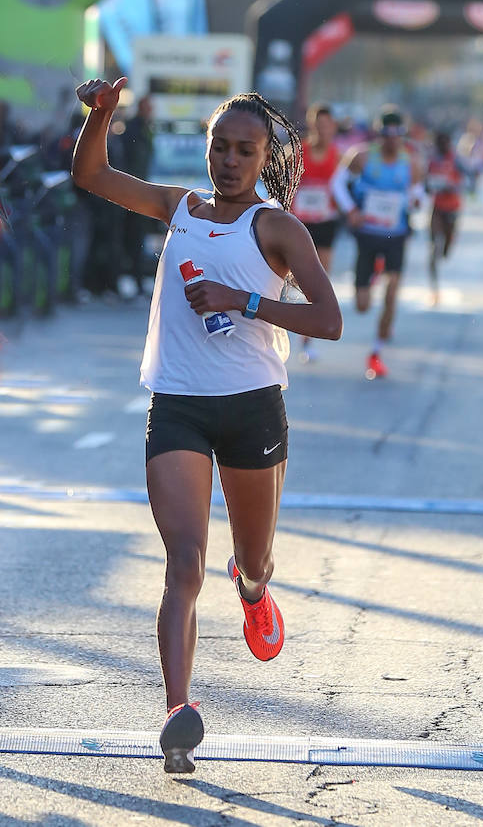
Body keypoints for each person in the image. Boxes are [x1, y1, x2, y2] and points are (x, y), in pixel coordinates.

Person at [72, 76, 342, 773]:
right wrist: (101, 116)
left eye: (244, 150)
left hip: (252, 406)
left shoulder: (277, 228)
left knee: (253, 560)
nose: (228, 160)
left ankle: (252, 590)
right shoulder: (180, 207)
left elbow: (328, 319)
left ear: (264, 157)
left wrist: (243, 299)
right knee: (183, 563)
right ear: (207, 147)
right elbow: (91, 174)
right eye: (220, 146)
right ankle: (177, 714)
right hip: (179, 405)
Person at [331, 106, 424, 379]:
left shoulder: (411, 162)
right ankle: (372, 275)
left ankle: (377, 351)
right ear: (378, 134)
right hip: (368, 235)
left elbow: (418, 193)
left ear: (402, 136)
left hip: (396, 235)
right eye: (386, 135)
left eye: (397, 135)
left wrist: (417, 201)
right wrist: (351, 211)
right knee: (362, 305)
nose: (391, 140)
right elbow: (337, 184)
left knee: (392, 292)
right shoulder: (361, 156)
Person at [291, 104, 341, 362]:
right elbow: (285, 185)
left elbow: (344, 190)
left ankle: (306, 339)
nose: (323, 130)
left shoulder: (338, 157)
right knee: (296, 279)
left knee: (320, 279)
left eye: (327, 126)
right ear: (312, 126)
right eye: (318, 125)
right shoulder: (298, 153)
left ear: (333, 127)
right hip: (300, 224)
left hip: (325, 223)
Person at [122, 94, 155, 295]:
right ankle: (134, 279)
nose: (151, 111)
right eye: (148, 107)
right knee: (133, 239)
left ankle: (138, 279)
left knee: (138, 239)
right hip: (134, 191)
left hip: (141, 190)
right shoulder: (134, 129)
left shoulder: (144, 128)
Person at [426, 131, 463, 306]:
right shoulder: (432, 160)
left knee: (446, 250)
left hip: (453, 208)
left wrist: (452, 186)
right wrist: (430, 186)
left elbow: (468, 179)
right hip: (437, 209)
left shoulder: (456, 160)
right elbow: (424, 182)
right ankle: (435, 289)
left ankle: (446, 246)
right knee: (434, 248)